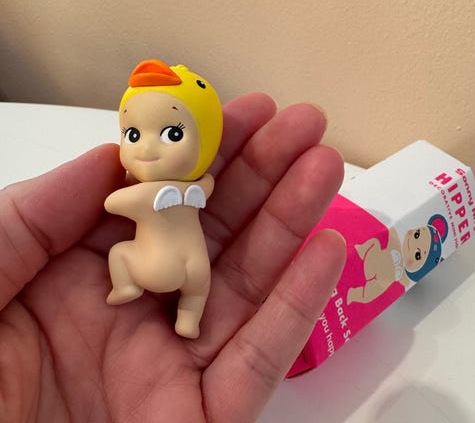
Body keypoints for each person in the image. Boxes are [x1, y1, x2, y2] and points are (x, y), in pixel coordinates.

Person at [0, 93, 345, 422]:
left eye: (171, 134)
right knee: (196, 292)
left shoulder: (143, 195)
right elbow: (207, 186)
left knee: (121, 251)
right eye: (133, 134)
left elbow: (110, 203)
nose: (146, 148)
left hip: (155, 270)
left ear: (204, 145)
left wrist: (125, 189)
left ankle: (126, 286)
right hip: (196, 267)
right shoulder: (201, 187)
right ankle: (188, 319)